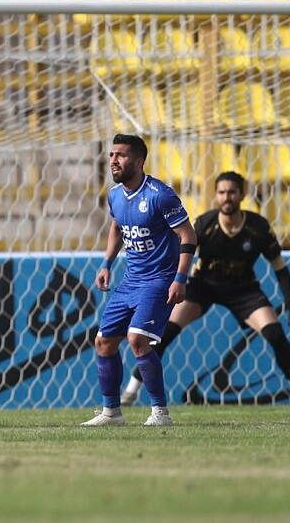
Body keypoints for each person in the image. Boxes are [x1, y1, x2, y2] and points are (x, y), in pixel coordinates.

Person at [122, 171, 290, 406]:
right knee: (163, 333)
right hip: (203, 286)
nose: (226, 197)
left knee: (275, 334)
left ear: (242, 195)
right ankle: (130, 392)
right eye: (222, 192)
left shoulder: (258, 227)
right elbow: (180, 254)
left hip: (243, 289)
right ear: (216, 196)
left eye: (232, 192)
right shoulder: (204, 224)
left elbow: (280, 269)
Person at [83, 134, 196, 428]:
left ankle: (160, 413)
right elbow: (117, 227)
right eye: (111, 155)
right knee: (104, 342)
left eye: (120, 155)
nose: (113, 161)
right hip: (130, 280)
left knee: (137, 339)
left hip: (159, 280)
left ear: (138, 160)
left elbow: (188, 235)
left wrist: (180, 279)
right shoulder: (115, 195)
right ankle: (111, 414)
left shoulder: (160, 195)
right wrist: (107, 263)